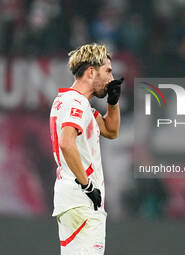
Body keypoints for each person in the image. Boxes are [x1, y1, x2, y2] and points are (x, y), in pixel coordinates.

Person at [49, 43, 123, 255]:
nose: (111, 77)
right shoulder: (77, 103)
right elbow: (66, 142)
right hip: (82, 198)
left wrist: (113, 102)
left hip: (70, 198)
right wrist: (87, 186)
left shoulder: (69, 101)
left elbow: (111, 131)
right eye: (108, 71)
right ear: (91, 71)